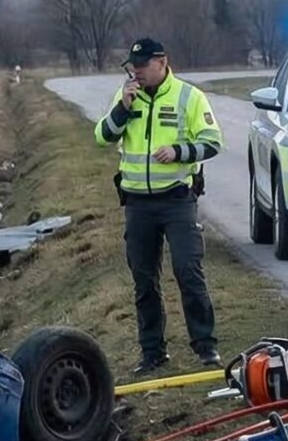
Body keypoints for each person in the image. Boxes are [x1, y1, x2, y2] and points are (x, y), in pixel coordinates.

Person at [95, 37, 221, 375]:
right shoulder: (126, 96)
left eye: (142, 65)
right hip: (138, 204)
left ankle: (205, 345)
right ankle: (152, 352)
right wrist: (122, 108)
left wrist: (179, 152)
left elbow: (212, 142)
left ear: (162, 62)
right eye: (132, 66)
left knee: (188, 269)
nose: (136, 72)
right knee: (144, 279)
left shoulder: (189, 96)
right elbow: (102, 136)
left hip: (177, 199)